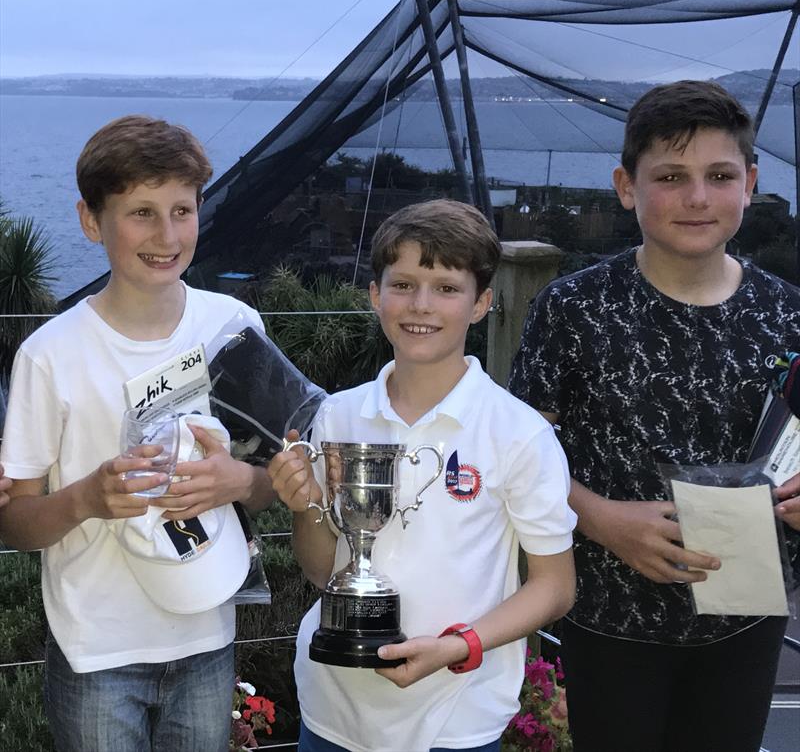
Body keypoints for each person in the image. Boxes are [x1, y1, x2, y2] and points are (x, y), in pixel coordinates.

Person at [508, 80, 800, 752]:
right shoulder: (573, 309)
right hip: (609, 619)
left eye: (719, 175)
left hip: (747, 620)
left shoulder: (789, 314)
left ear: (750, 182)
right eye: (671, 176)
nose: (698, 197)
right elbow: (516, 454)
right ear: (626, 185)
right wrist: (599, 517)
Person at [0, 115, 277, 752]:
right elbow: (14, 520)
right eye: (141, 212)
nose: (167, 234)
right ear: (90, 220)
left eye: (182, 209)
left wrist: (242, 481)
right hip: (95, 649)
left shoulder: (235, 324)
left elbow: (274, 483)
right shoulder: (50, 354)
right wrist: (85, 500)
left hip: (208, 636)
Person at [269, 199, 577, 752]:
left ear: (482, 302)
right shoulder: (337, 415)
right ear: (374, 294)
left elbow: (555, 587)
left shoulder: (518, 432)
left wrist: (459, 645)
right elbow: (324, 570)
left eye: (446, 288)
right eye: (404, 284)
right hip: (335, 710)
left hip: (456, 718)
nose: (421, 305)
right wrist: (302, 506)